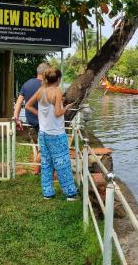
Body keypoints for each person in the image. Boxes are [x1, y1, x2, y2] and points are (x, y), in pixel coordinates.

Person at [25, 67, 78, 201]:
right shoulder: (57, 91)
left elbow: (28, 106)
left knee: (46, 162)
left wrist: (40, 115)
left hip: (43, 133)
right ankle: (70, 193)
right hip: (56, 134)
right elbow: (58, 113)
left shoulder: (41, 90)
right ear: (58, 79)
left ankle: (47, 193)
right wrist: (66, 107)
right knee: (63, 163)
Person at [13, 62, 49, 174]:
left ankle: (38, 170)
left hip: (31, 123)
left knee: (42, 147)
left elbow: (19, 102)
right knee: (45, 149)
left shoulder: (27, 84)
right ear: (45, 73)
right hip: (45, 123)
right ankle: (36, 171)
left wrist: (16, 117)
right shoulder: (46, 86)